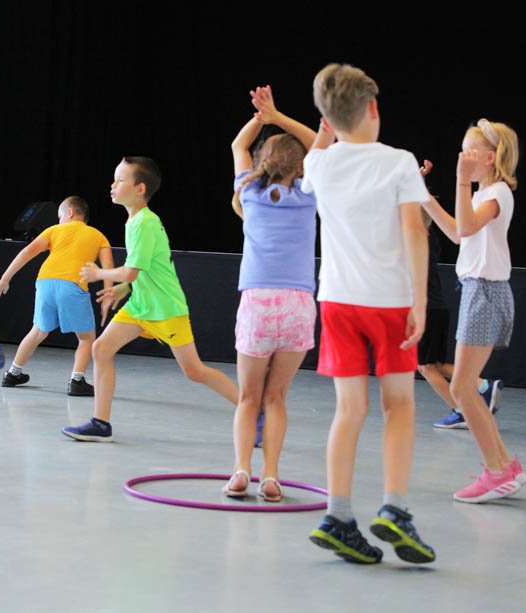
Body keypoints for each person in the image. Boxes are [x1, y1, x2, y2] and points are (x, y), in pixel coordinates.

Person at [302, 63, 435, 564]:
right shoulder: (399, 162)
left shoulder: (319, 165)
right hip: (390, 301)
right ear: (374, 107)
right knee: (398, 405)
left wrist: (324, 131)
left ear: (327, 118)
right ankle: (394, 509)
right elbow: (414, 231)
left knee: (348, 410)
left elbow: (316, 153)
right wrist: (420, 300)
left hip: (337, 300)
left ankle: (337, 516)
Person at [62, 157, 239, 441]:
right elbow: (144, 269)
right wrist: (123, 289)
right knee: (101, 349)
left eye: (120, 180)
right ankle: (100, 423)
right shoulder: (134, 221)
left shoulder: (144, 222)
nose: (113, 185)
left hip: (165, 308)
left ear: (140, 188)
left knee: (194, 371)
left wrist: (99, 273)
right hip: (140, 305)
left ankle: (252, 411)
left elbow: (131, 271)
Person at [421, 118, 526, 503]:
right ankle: (504, 466)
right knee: (464, 386)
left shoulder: (496, 193)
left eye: (469, 151)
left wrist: (461, 181)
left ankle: (497, 471)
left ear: (491, 157)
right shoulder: (485, 194)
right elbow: (456, 232)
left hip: (485, 292)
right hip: (477, 291)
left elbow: (464, 229)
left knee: (462, 387)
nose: (462, 157)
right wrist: (424, 196)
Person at [222, 85, 317, 502]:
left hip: (258, 303)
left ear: (262, 161)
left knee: (249, 398)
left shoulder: (249, 192)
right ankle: (272, 477)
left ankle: (241, 470)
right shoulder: (309, 195)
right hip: (298, 306)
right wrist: (278, 117)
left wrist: (260, 117)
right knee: (276, 397)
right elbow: (322, 144)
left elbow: (237, 145)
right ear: (300, 165)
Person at [0, 196, 113, 396]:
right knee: (86, 337)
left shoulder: (53, 230)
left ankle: (12, 374)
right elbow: (107, 267)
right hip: (72, 284)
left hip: (45, 282)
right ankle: (77, 381)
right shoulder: (98, 236)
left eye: (59, 216)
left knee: (37, 331)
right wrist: (107, 293)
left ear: (69, 213)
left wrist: (5, 279)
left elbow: (27, 252)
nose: (59, 220)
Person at [415, 162, 504, 430]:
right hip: (437, 309)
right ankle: (481, 386)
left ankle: (465, 407)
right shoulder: (429, 237)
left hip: (426, 310)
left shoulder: (414, 240)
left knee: (425, 367)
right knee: (436, 363)